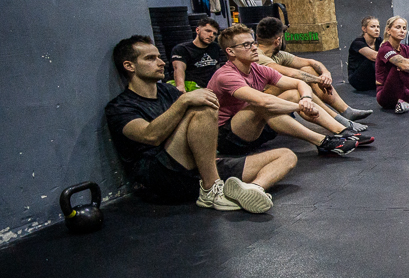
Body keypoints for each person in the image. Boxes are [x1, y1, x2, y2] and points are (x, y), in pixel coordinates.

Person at [106, 35, 296, 212]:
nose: (161, 62)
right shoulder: (120, 107)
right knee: (203, 106)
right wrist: (184, 101)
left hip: (197, 169)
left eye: (159, 57)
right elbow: (150, 136)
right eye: (150, 58)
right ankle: (212, 189)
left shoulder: (167, 92)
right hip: (161, 176)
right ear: (129, 66)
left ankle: (252, 189)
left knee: (286, 156)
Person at [208, 25, 358, 157]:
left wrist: (306, 99)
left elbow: (299, 82)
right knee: (263, 105)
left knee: (294, 93)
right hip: (228, 138)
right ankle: (322, 141)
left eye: (253, 43)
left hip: (256, 130)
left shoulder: (258, 68)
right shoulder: (226, 75)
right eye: (246, 45)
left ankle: (342, 131)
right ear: (231, 51)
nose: (254, 48)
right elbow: (264, 101)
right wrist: (300, 107)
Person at [254, 17, 372, 131]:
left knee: (307, 69)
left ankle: (346, 110)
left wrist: (326, 74)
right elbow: (292, 74)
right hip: (260, 101)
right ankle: (337, 119)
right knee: (297, 85)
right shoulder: (258, 56)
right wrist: (319, 80)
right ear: (277, 40)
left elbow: (311, 62)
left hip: (272, 96)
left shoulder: (277, 55)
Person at [170, 16, 224, 90]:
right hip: (191, 87)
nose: (211, 35)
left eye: (214, 34)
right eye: (208, 31)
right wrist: (181, 87)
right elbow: (179, 69)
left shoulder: (215, 47)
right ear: (197, 30)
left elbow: (218, 68)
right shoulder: (182, 49)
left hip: (210, 87)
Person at [347, 16, 381, 92]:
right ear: (364, 29)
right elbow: (374, 56)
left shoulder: (379, 41)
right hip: (357, 80)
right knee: (373, 60)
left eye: (378, 27)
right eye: (372, 27)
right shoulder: (357, 43)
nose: (376, 29)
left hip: (372, 79)